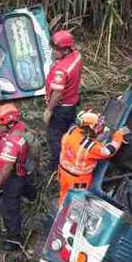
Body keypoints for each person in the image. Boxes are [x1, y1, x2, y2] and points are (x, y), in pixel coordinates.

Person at [0, 104, 38, 250]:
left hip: (12, 177)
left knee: (9, 208)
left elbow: (7, 169)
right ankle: (33, 195)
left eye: (1, 125)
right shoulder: (20, 127)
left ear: (10, 124)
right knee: (25, 185)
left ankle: (14, 240)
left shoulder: (12, 142)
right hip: (21, 171)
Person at [58, 111, 129, 205]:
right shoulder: (91, 148)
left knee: (64, 194)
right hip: (78, 180)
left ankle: (61, 206)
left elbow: (83, 141)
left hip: (63, 174)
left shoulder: (72, 131)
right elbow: (109, 151)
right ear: (91, 128)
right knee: (75, 202)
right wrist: (118, 136)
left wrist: (96, 137)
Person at [44, 30, 83, 176]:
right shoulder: (77, 56)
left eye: (56, 49)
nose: (53, 52)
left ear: (66, 50)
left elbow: (57, 93)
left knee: (54, 137)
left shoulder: (61, 70)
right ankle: (70, 153)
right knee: (68, 132)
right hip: (72, 103)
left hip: (61, 108)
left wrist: (49, 110)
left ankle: (57, 165)